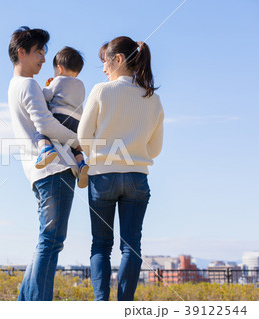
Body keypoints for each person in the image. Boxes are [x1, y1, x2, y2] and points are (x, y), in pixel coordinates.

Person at [77, 36, 164, 301]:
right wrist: (133, 155)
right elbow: (155, 148)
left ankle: (102, 305)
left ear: (118, 59)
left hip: (102, 177)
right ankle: (125, 307)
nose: (103, 68)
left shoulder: (102, 91)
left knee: (101, 246)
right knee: (132, 247)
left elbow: (83, 136)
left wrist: (100, 156)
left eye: (105, 61)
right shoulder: (153, 99)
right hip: (138, 177)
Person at [7, 26, 79, 301]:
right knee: (51, 242)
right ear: (21, 52)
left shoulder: (16, 86)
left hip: (38, 173)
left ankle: (27, 302)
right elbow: (45, 124)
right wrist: (78, 141)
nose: (42, 58)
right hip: (55, 170)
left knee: (46, 241)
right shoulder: (28, 84)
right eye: (38, 52)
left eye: (44, 52)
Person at [33, 46, 90, 188]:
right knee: (73, 146)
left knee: (41, 131)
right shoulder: (81, 85)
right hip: (77, 121)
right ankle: (81, 164)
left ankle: (46, 150)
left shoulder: (57, 81)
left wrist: (48, 85)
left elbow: (45, 96)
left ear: (59, 68)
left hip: (59, 116)